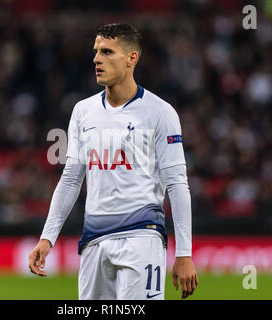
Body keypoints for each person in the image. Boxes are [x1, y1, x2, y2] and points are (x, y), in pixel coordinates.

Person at [29, 23, 198, 300]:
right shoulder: (83, 111)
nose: (97, 59)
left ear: (132, 58)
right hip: (94, 238)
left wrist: (184, 254)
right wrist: (47, 238)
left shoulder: (160, 113)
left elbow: (177, 184)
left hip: (142, 237)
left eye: (107, 52)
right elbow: (71, 179)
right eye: (96, 52)